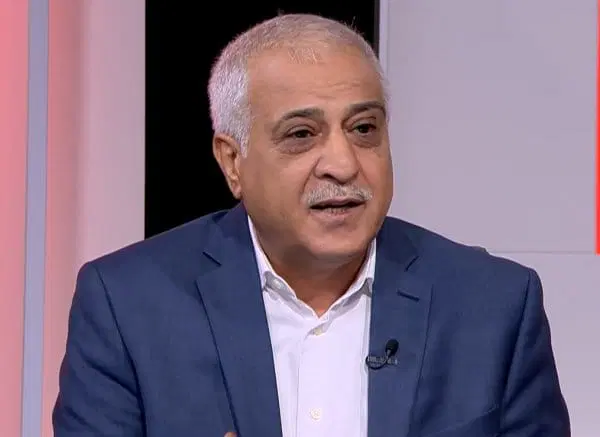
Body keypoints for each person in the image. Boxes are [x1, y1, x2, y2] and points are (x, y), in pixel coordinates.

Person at [53, 13, 570, 437]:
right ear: (233, 162)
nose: (343, 165)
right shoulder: (128, 304)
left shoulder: (494, 306)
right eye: (302, 134)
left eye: (364, 128)